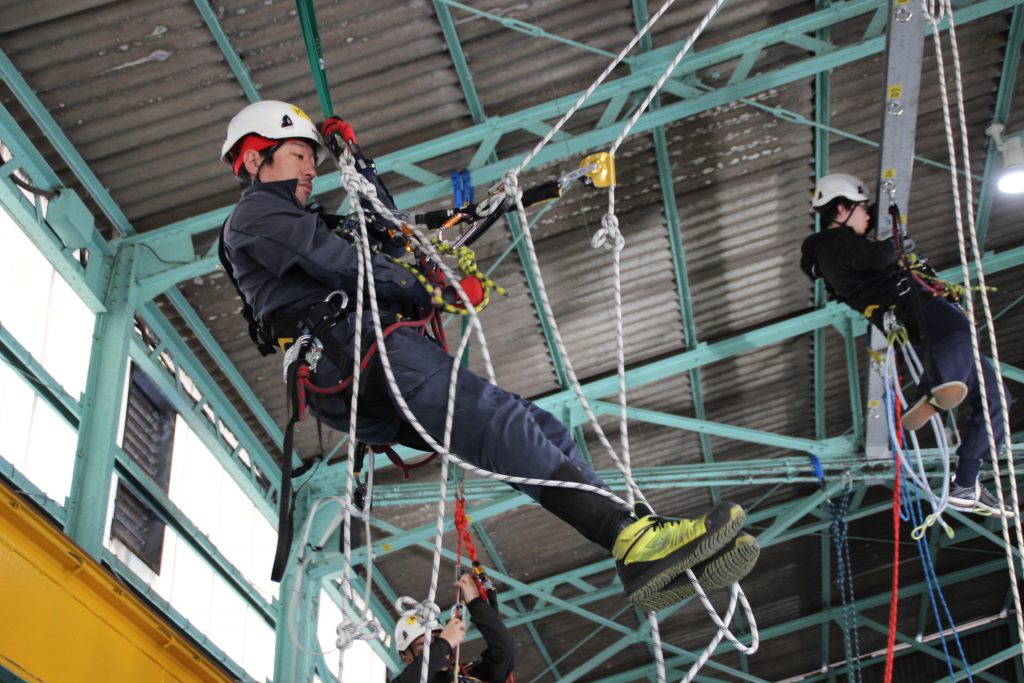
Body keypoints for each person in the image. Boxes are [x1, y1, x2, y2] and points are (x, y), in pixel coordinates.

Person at [218, 100, 757, 607]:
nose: (311, 169)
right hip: (354, 351)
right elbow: (338, 262)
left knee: (539, 428)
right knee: (498, 422)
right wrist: (429, 290)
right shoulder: (256, 215)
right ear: (254, 158)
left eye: (313, 159)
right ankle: (631, 539)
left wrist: (357, 162)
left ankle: (632, 537)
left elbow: (389, 231)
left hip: (363, 361)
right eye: (299, 155)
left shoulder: (305, 219)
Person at [800, 173, 1014, 516]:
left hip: (916, 322)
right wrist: (897, 247)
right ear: (840, 209)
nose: (867, 216)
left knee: (997, 398)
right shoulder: (830, 244)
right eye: (861, 209)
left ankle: (965, 482)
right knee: (960, 334)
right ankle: (935, 388)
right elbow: (877, 257)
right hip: (912, 307)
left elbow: (871, 254)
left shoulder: (840, 249)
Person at [391, 573, 514, 683]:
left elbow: (504, 651)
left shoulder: (469, 675)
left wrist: (476, 604)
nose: (435, 646)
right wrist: (443, 643)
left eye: (437, 638)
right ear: (408, 659)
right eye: (423, 645)